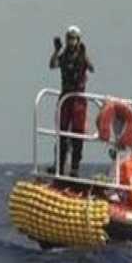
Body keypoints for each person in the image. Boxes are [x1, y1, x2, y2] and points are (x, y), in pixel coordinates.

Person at [49, 24, 95, 177]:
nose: (71, 41)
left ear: (78, 39)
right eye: (69, 38)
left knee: (77, 133)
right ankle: (59, 165)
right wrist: (56, 51)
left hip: (78, 99)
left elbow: (92, 68)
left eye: (74, 38)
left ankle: (75, 167)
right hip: (66, 97)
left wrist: (85, 56)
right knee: (62, 133)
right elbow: (52, 65)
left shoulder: (82, 55)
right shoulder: (63, 56)